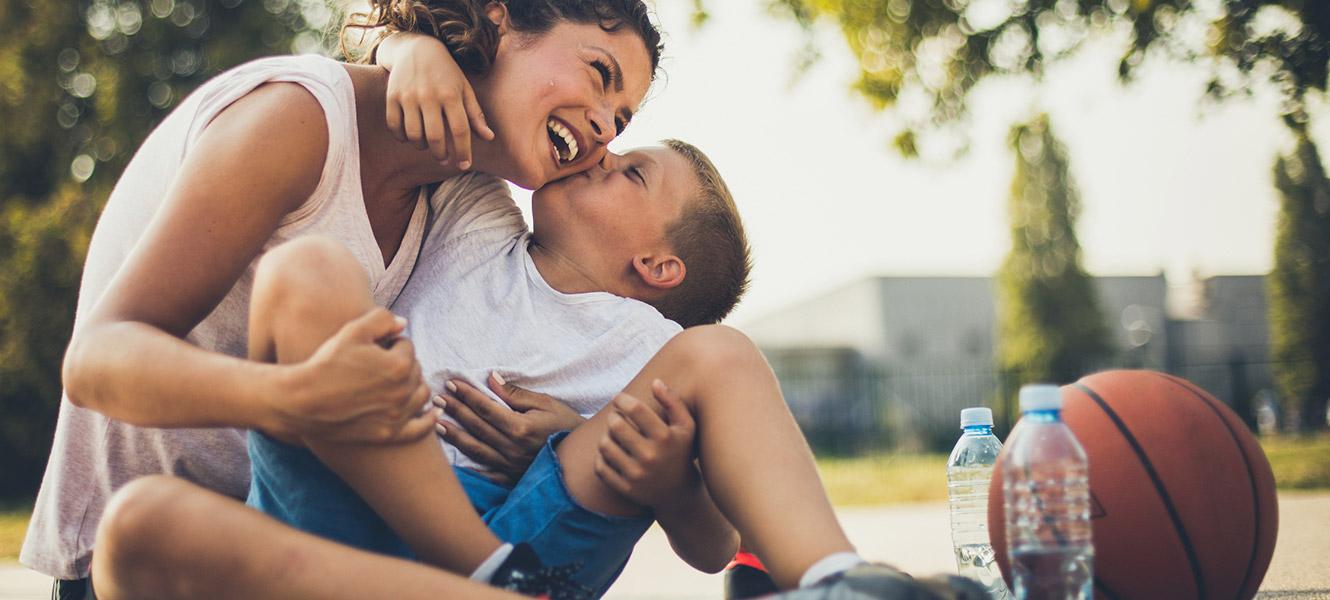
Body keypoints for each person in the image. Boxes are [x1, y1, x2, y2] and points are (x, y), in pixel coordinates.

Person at [101, 141, 986, 600]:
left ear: (658, 268)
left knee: (726, 354)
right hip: (352, 494)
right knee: (137, 526)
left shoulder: (652, 348)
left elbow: (713, 545)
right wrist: (407, 44)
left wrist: (660, 480)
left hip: (530, 527)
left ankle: (839, 583)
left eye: (631, 173)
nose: (602, 152)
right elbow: (463, 99)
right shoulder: (480, 219)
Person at [22, 1, 662, 597]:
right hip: (140, 565)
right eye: (599, 73)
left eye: (623, 119)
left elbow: (543, 333)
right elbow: (95, 360)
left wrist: (564, 441)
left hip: (288, 546)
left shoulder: (463, 195)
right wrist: (291, 398)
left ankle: (497, 580)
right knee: (313, 276)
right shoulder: (299, 119)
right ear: (501, 21)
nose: (607, 127)